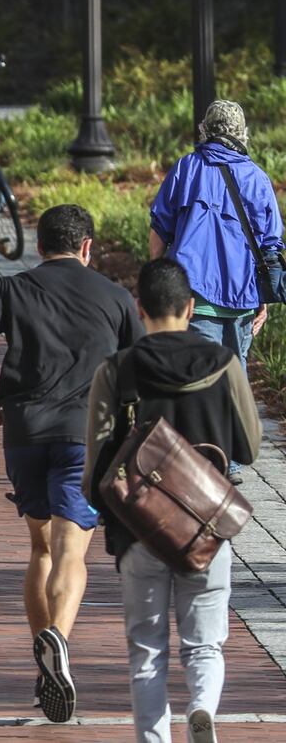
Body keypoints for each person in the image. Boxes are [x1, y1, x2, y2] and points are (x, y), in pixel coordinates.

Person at [0, 204, 142, 723]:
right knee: (71, 550)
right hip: (87, 434)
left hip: (24, 431)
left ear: (38, 247)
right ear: (88, 247)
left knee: (39, 546)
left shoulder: (10, 288)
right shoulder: (114, 296)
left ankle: (45, 670)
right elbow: (137, 369)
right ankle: (57, 642)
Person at [84, 259, 259, 743]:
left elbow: (98, 457)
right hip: (206, 526)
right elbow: (248, 446)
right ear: (189, 307)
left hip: (140, 528)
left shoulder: (117, 369)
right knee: (204, 644)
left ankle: (153, 739)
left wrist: (105, 515)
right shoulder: (223, 365)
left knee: (146, 650)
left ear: (139, 309)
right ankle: (201, 708)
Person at [149, 99, 278, 485]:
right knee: (232, 374)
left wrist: (157, 281)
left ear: (206, 129)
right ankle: (229, 460)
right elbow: (271, 246)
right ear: (241, 133)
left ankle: (203, 456)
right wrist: (264, 301)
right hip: (241, 295)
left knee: (196, 377)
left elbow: (160, 230)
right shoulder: (257, 177)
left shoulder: (187, 168)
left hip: (193, 293)